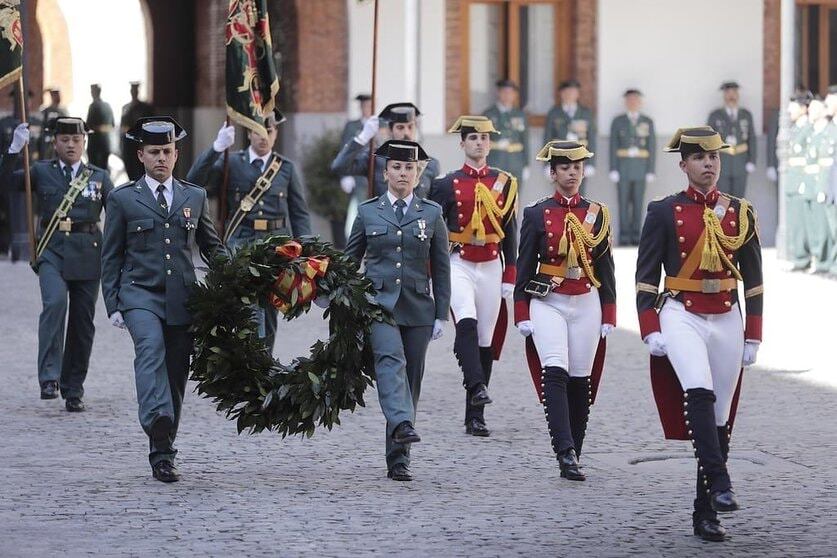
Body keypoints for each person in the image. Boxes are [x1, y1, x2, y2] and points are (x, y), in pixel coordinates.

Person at [635, 126, 763, 542]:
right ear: (683, 165)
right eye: (700, 158)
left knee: (721, 417)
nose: (709, 164)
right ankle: (722, 482)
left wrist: (754, 333)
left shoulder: (740, 212)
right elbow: (646, 278)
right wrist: (650, 327)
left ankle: (705, 511)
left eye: (714, 157)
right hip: (681, 311)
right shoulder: (663, 210)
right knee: (698, 391)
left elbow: (755, 282)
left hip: (726, 313)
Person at [101, 117, 227, 482]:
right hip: (139, 294)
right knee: (150, 349)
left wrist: (235, 277)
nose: (161, 158)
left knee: (175, 375)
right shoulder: (123, 199)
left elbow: (211, 247)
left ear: (176, 153)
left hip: (182, 298)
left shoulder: (194, 196)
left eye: (167, 151)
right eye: (153, 152)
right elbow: (111, 256)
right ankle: (155, 418)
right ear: (140, 155)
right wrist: (113, 304)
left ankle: (163, 453)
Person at [344, 140, 450, 481]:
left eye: (409, 168)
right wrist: (334, 293)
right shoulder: (368, 212)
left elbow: (441, 266)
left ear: (418, 173)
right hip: (379, 304)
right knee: (390, 361)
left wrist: (441, 313)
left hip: (418, 308)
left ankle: (398, 457)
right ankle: (403, 423)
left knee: (411, 381)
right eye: (397, 167)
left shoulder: (431, 213)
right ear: (386, 172)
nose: (403, 173)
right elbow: (350, 261)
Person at [514, 140, 615, 481]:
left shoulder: (597, 213)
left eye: (577, 167)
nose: (572, 173)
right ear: (553, 173)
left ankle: (576, 446)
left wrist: (610, 312)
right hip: (548, 300)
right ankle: (564, 450)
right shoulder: (536, 213)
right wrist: (522, 312)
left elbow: (605, 268)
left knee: (581, 379)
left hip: (586, 299)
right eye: (565, 167)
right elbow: (524, 266)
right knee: (554, 371)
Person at [1, 118, 113, 410]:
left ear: (84, 143)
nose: (71, 145)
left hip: (88, 253)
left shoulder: (99, 176)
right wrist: (13, 150)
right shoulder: (40, 172)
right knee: (54, 304)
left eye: (76, 140)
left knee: (82, 323)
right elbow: (5, 182)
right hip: (52, 250)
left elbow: (119, 213)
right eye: (65, 140)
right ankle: (49, 377)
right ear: (55, 143)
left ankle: (73, 387)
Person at [187, 109, 311, 351]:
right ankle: (248, 363)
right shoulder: (231, 162)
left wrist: (305, 251)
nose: (264, 136)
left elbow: (299, 212)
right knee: (246, 306)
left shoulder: (286, 168)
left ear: (276, 134)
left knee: (270, 307)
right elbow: (194, 181)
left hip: (278, 247)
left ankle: (264, 363)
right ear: (248, 132)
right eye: (257, 130)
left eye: (269, 130)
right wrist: (215, 149)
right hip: (241, 242)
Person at [428, 115, 518, 436]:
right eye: (473, 138)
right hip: (460, 263)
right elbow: (434, 234)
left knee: (485, 340)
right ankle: (477, 385)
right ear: (462, 143)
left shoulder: (504, 182)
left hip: (492, 263)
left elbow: (510, 232)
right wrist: (432, 275)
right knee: (465, 320)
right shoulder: (445, 183)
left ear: (490, 144)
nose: (479, 143)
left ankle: (475, 416)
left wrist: (511, 273)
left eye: (484, 138)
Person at [331, 102, 441, 199]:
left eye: (410, 127)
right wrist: (362, 138)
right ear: (390, 130)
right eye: (400, 127)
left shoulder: (430, 164)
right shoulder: (375, 159)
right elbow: (340, 167)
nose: (406, 133)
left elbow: (434, 205)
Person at [608, 89, 656, 245]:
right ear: (626, 102)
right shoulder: (618, 121)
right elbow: (613, 145)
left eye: (635, 100)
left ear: (640, 102)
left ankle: (636, 236)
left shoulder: (647, 121)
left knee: (638, 202)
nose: (632, 103)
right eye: (629, 100)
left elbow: (652, 146)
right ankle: (624, 237)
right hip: (623, 167)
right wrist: (613, 168)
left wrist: (650, 169)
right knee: (622, 203)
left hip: (641, 168)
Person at [707, 82, 756, 197]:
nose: (731, 97)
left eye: (734, 93)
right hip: (722, 162)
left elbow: (751, 138)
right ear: (724, 96)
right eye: (728, 93)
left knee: (739, 200)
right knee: (722, 198)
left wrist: (752, 160)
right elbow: (708, 140)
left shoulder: (746, 115)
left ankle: (737, 216)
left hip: (741, 162)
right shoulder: (715, 115)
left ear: (738, 95)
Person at [338, 93, 374, 245]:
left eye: (370, 105)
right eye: (364, 105)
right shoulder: (352, 126)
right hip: (358, 178)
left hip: (375, 177)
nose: (367, 109)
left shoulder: (381, 125)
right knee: (356, 215)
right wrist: (345, 175)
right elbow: (344, 152)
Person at [543, 79, 597, 180]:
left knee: (579, 193)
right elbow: (547, 138)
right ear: (561, 94)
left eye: (572, 92)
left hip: (580, 159)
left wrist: (591, 163)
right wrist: (547, 163)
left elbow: (592, 139)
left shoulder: (586, 113)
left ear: (578, 94)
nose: (569, 95)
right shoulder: (554, 113)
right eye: (566, 92)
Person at [785, 93, 814, 270]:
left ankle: (804, 258)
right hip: (793, 180)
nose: (789, 110)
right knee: (795, 222)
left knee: (805, 223)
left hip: (803, 181)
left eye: (793, 106)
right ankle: (798, 257)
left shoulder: (809, 129)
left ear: (803, 108)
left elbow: (810, 159)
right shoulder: (796, 129)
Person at [483, 80, 530, 189]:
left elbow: (525, 140)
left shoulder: (520, 114)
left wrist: (526, 164)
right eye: (504, 92)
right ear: (498, 93)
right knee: (495, 199)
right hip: (495, 162)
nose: (507, 96)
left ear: (514, 95)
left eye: (510, 93)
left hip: (516, 163)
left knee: (514, 199)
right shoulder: (489, 114)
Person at [120, 82, 155, 180]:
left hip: (140, 142)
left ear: (138, 91)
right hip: (128, 143)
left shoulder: (145, 107)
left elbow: (151, 123)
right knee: (129, 167)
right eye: (132, 90)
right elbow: (123, 127)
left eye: (135, 90)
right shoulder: (125, 107)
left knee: (141, 168)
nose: (133, 92)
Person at [86, 84, 115, 170]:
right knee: (104, 168)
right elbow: (112, 124)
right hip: (106, 142)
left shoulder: (93, 106)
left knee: (95, 169)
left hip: (95, 143)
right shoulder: (107, 106)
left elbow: (88, 126)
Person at [38, 87, 68, 161]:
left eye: (58, 95)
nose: (58, 97)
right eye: (55, 95)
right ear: (52, 96)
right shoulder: (46, 111)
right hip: (48, 141)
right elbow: (42, 126)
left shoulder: (63, 111)